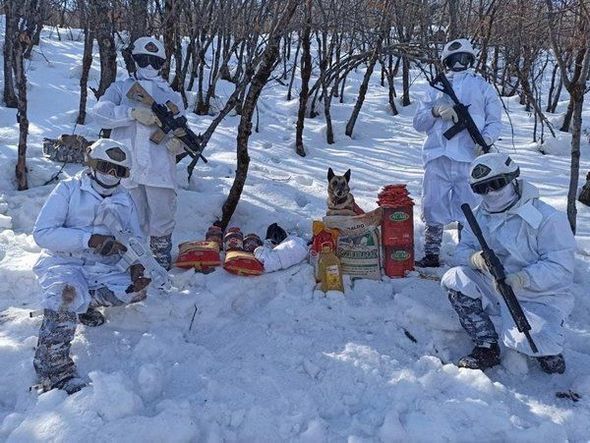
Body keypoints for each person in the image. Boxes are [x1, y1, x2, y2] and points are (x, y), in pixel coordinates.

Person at [32, 139, 151, 394]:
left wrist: (136, 266)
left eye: (118, 170)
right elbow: (42, 233)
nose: (110, 174)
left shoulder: (124, 199)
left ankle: (84, 306)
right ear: (91, 163)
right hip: (65, 261)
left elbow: (134, 238)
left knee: (134, 290)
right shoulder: (69, 190)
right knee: (66, 296)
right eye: (105, 166)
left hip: (101, 267)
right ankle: (54, 371)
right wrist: (88, 239)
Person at [441, 153, 576, 373]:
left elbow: (560, 266)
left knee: (538, 342)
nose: (490, 193)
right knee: (455, 278)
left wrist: (522, 279)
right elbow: (461, 251)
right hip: (494, 285)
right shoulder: (477, 217)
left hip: (538, 294)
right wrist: (474, 259)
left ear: (512, 178)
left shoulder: (547, 218)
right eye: (482, 188)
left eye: (496, 184)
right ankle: (486, 345)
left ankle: (547, 346)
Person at [93, 36, 186, 270]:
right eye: (143, 60)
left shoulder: (172, 96)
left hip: (160, 167)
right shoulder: (121, 89)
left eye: (155, 62)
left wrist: (180, 144)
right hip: (128, 166)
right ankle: (133, 259)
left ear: (163, 64)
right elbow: (99, 112)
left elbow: (182, 128)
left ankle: (160, 258)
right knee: (130, 217)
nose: (149, 66)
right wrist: (131, 112)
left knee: (162, 215)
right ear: (134, 59)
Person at [413, 38, 503, 267]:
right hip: (437, 156)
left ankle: (467, 254)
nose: (458, 64)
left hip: (469, 159)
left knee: (471, 208)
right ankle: (432, 253)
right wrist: (434, 111)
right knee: (432, 205)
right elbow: (418, 122)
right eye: (454, 60)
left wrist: (486, 141)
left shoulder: (482, 87)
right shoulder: (435, 88)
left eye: (463, 59)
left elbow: (494, 121)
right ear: (446, 61)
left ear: (471, 59)